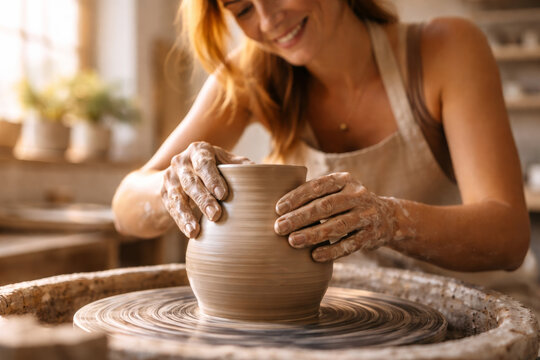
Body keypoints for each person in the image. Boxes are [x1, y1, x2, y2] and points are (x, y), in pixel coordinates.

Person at [112, 0, 538, 287]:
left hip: (471, 314)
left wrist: (391, 220)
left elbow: (508, 237)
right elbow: (125, 205)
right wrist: (174, 184)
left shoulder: (445, 48)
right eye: (241, 8)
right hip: (349, 319)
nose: (268, 19)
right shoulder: (250, 76)